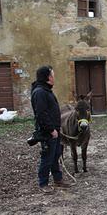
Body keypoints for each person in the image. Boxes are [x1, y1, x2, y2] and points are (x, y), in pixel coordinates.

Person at [31, 65, 70, 193]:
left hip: (55, 131)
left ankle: (58, 180)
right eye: (53, 75)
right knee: (47, 157)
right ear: (48, 77)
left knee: (55, 156)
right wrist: (51, 130)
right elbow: (41, 114)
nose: (54, 77)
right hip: (48, 132)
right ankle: (43, 184)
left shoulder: (46, 90)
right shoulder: (40, 92)